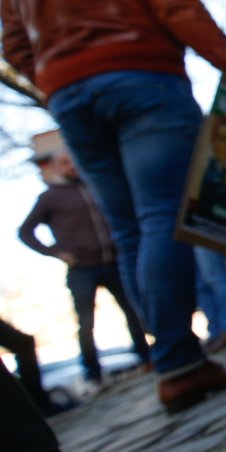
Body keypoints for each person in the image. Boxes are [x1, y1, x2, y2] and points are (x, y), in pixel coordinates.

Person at [0, 0, 226, 411]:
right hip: (142, 79)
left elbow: (13, 41)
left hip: (70, 97)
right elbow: (172, 0)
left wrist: (54, 83)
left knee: (129, 230)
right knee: (160, 218)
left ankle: (175, 360)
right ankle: (178, 363)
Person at [17, 149, 152, 384]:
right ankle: (93, 373)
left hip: (111, 260)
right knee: (86, 322)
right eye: (65, 163)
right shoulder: (50, 197)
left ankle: (146, 356)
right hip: (82, 268)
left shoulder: (94, 186)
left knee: (131, 309)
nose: (72, 167)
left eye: (73, 161)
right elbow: (25, 231)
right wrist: (57, 253)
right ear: (57, 167)